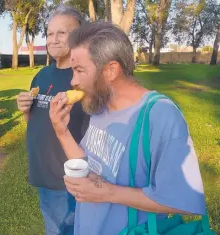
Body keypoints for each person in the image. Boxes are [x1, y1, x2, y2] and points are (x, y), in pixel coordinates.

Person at [49, 21, 207, 235]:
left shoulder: (160, 116)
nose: (73, 81)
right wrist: (61, 131)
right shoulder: (100, 106)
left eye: (78, 70)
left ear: (111, 70)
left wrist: (108, 193)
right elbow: (89, 166)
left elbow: (179, 199)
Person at [16, 5, 88, 235]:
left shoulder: (84, 79)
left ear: (79, 37)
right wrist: (26, 110)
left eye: (62, 33)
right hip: (43, 173)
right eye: (49, 33)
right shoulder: (42, 75)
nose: (53, 40)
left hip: (67, 179)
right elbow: (35, 123)